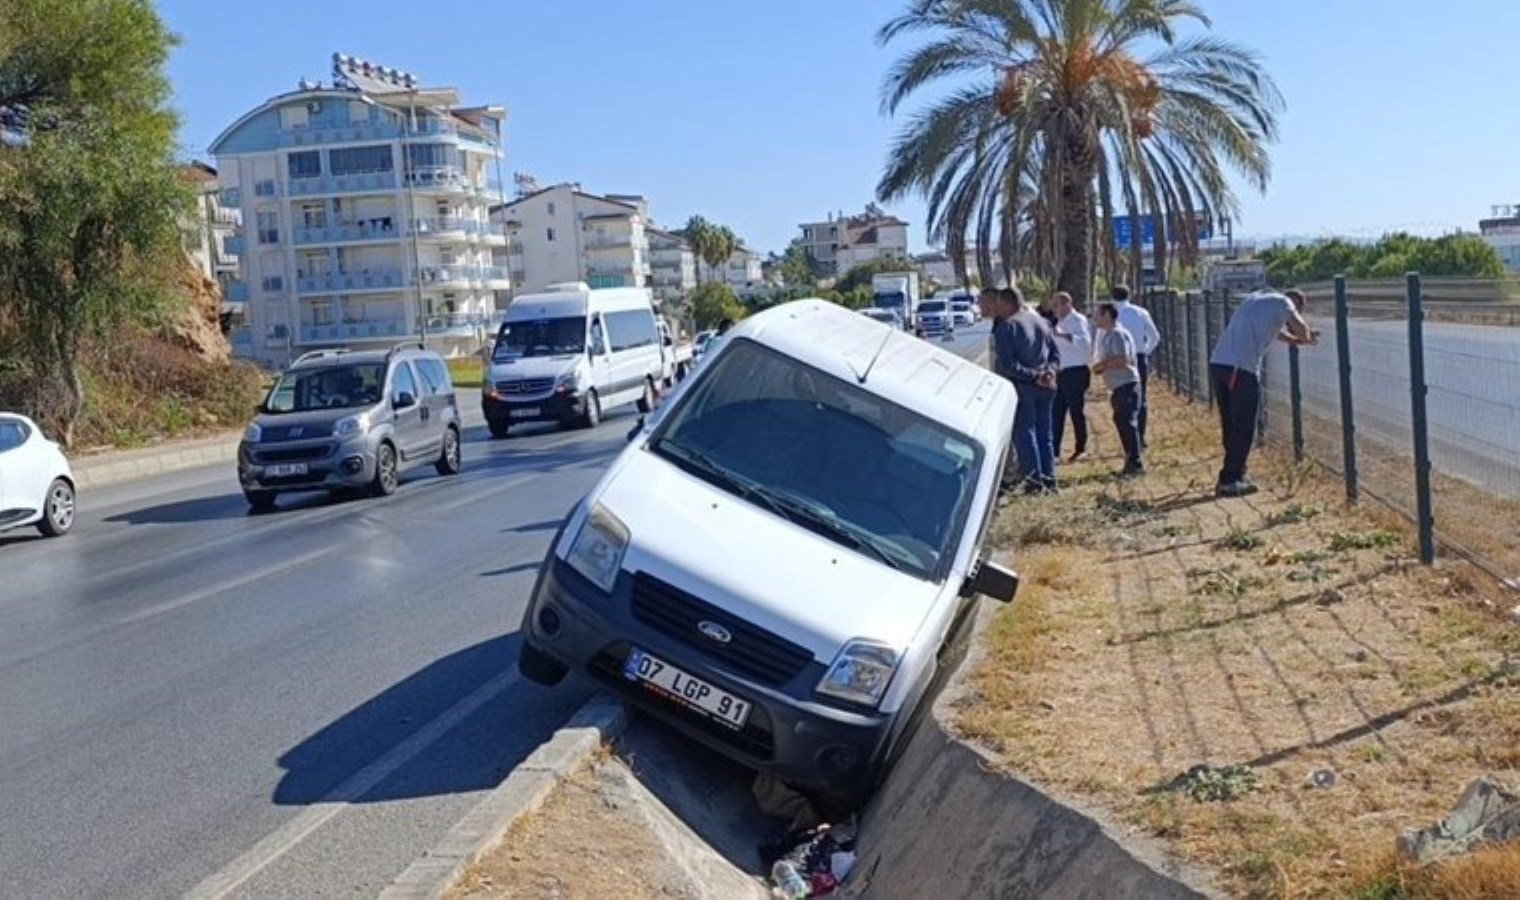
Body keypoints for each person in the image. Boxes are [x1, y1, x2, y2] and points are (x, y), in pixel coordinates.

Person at [1209, 288, 1317, 497]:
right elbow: (1300, 327)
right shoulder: (1284, 303)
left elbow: (1274, 331)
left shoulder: (1256, 299)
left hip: (1220, 364)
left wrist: (1293, 340)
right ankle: (1230, 480)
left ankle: (1235, 473)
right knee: (1244, 425)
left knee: (1231, 424)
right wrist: (1305, 337)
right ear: (1296, 303)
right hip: (1240, 370)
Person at [990, 286, 1059, 493]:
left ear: (1006, 303)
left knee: (1025, 433)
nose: (996, 309)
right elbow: (1055, 355)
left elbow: (1007, 364)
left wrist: (1033, 376)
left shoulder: (1007, 327)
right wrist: (1049, 373)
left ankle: (1034, 481)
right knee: (1044, 433)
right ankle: (1049, 478)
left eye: (998, 304)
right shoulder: (1042, 322)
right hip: (1046, 386)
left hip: (1023, 387)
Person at [1091, 302, 1144, 477]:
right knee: (1122, 422)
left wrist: (1102, 365)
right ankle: (1131, 461)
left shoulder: (1117, 334)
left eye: (1097, 315)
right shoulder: (1107, 335)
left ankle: (1135, 463)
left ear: (1106, 315)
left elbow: (1123, 359)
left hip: (1126, 385)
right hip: (1118, 386)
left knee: (1127, 423)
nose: (1094, 319)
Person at [1109, 285, 1161, 448]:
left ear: (1112, 297)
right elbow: (1154, 336)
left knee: (1120, 394)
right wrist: (1144, 351)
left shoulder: (1111, 315)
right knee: (1141, 397)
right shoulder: (1140, 312)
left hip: (1117, 358)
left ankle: (1128, 434)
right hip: (1138, 356)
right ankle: (1140, 435)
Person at [1048, 292, 1093, 462]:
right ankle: (1055, 452)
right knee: (1057, 413)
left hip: (1076, 372)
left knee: (1076, 411)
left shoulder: (1077, 320)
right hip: (1061, 373)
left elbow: (1084, 343)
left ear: (1067, 303)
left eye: (1056, 305)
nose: (1054, 310)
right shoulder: (1060, 322)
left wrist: (1063, 335)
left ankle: (1081, 448)